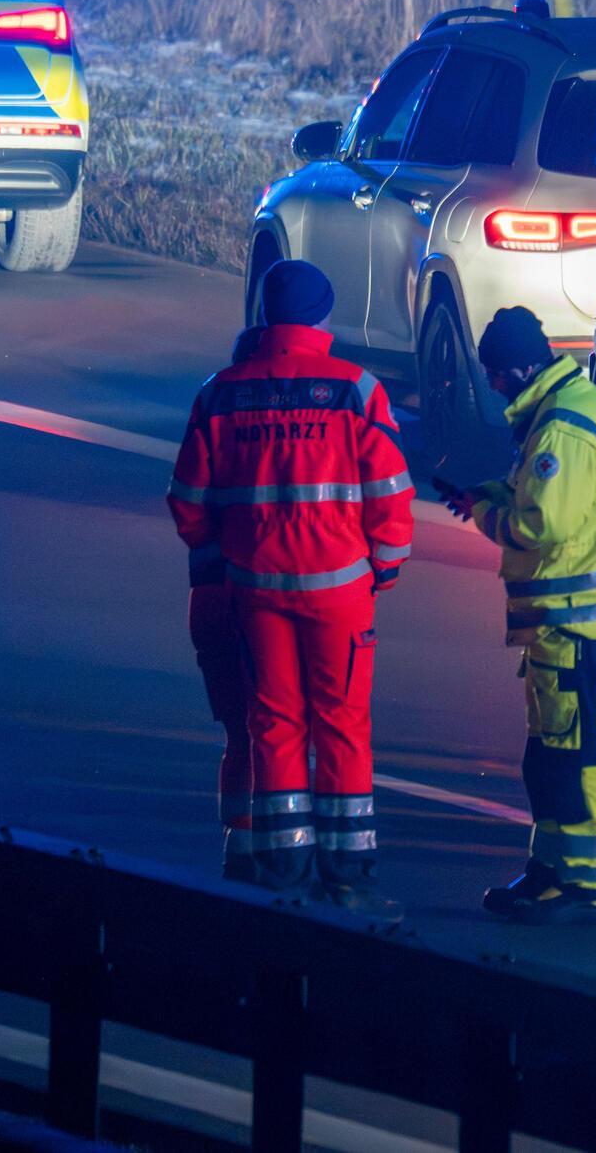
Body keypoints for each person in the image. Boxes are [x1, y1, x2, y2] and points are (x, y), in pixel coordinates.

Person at [167, 259, 411, 921]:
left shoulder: (220, 393)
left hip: (256, 590)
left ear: (265, 316)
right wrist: (384, 565)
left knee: (272, 723)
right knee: (342, 725)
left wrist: (225, 557)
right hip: (340, 592)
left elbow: (188, 502)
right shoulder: (356, 391)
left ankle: (282, 867)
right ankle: (350, 873)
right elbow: (390, 495)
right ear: (324, 319)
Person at [445, 307, 596, 923]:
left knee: (560, 750)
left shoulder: (559, 429)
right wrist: (498, 491)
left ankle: (564, 878)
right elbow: (558, 499)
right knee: (577, 742)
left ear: (520, 368)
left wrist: (488, 516)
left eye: (497, 376)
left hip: (569, 614)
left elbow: (542, 524)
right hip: (588, 613)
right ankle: (574, 871)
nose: (496, 386)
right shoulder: (579, 401)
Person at [188, 325, 264, 881]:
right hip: (264, 601)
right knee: (279, 726)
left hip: (211, 594)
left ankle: (237, 846)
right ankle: (281, 845)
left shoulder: (212, 404)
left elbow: (186, 504)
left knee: (238, 732)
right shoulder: (288, 432)